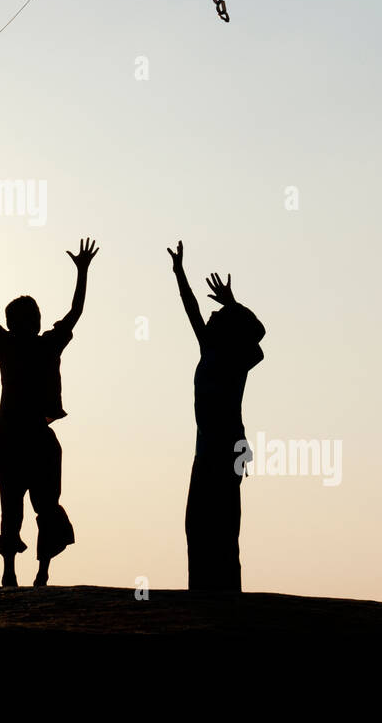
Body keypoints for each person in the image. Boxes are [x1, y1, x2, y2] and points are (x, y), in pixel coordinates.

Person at [0, 233, 97, 587]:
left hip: (12, 436)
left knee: (14, 508)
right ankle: (37, 573)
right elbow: (75, 313)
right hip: (31, 438)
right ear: (33, 322)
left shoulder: (10, 345)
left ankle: (16, 573)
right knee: (44, 508)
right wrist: (82, 272)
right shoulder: (43, 346)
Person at [166, 241, 265, 592]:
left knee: (221, 526)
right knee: (198, 524)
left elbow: (259, 333)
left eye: (217, 316)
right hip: (208, 449)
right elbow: (191, 307)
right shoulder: (212, 346)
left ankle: (223, 593)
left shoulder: (239, 357)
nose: (210, 316)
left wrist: (234, 304)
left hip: (225, 449)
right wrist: (179, 272)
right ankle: (204, 590)